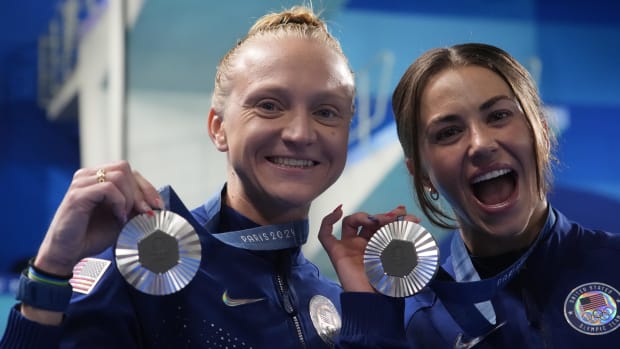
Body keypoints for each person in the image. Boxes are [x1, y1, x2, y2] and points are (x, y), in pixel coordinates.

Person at [0, 6, 407, 349]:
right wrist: (51, 270)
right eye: (269, 105)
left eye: (326, 112)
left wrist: (369, 313)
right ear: (218, 128)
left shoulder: (337, 297)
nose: (301, 133)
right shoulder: (145, 264)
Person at [322, 42, 620, 348]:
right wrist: (371, 318)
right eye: (448, 132)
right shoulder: (413, 321)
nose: (480, 144)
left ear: (541, 133)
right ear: (423, 175)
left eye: (498, 116)